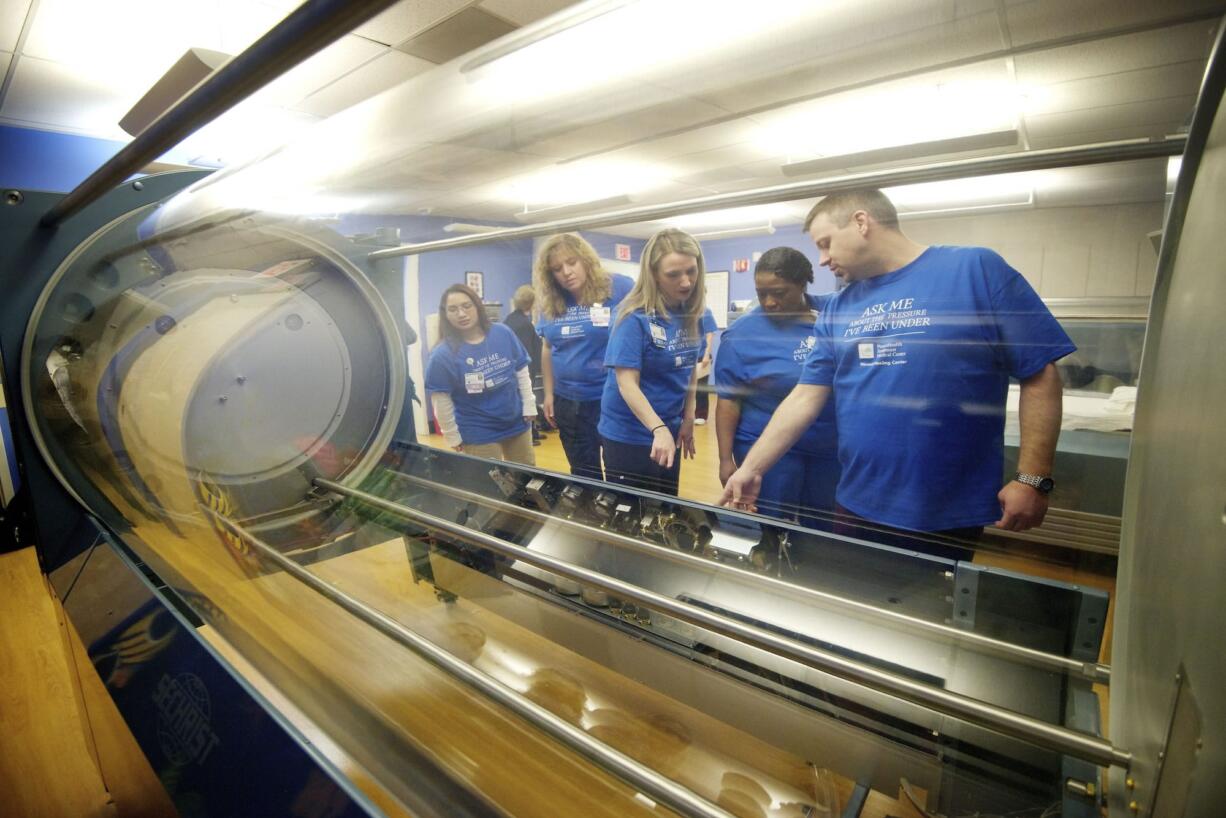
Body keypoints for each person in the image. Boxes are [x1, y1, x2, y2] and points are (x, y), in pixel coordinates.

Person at [721, 189, 1073, 557]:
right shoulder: (840, 307)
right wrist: (751, 467)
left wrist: (1032, 479)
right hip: (855, 496)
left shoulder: (975, 269)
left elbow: (1041, 374)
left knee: (928, 603)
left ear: (861, 222)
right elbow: (805, 395)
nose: (822, 260)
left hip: (945, 507)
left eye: (826, 244)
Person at [714, 247, 839, 529]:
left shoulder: (832, 313)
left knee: (822, 524)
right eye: (761, 294)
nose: (769, 302)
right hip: (767, 446)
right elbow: (728, 401)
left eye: (780, 293)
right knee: (773, 523)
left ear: (802, 284)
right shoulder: (742, 333)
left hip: (827, 445)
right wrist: (725, 460)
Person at [599, 228, 707, 496]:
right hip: (630, 433)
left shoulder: (691, 312)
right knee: (631, 515)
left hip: (668, 427)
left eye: (691, 271)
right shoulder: (632, 317)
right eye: (673, 275)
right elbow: (627, 384)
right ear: (654, 276)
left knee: (665, 509)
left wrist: (688, 417)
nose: (685, 282)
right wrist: (658, 429)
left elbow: (690, 368)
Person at [534, 233, 635, 480]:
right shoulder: (551, 302)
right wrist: (549, 393)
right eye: (557, 269)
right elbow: (548, 348)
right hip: (569, 402)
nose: (566, 272)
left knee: (618, 470)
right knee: (582, 472)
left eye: (572, 262)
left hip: (610, 398)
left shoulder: (619, 288)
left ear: (586, 260)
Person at [425, 284, 537, 465]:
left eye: (466, 306)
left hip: (516, 421)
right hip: (478, 429)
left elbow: (521, 370)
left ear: (477, 306)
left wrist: (529, 404)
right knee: (490, 485)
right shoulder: (442, 355)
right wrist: (452, 435)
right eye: (453, 309)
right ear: (445, 314)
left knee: (527, 478)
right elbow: (441, 399)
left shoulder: (503, 333)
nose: (461, 314)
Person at [505, 284, 544, 445]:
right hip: (524, 370)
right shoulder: (524, 324)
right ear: (531, 303)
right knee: (526, 399)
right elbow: (527, 351)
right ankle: (530, 434)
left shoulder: (510, 320)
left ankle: (533, 431)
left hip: (514, 370)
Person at [693, 307, 718, 425]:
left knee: (701, 387)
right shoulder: (682, 310)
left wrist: (706, 355)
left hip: (702, 355)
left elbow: (709, 335)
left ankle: (701, 415)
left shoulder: (705, 311)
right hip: (687, 355)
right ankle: (682, 414)